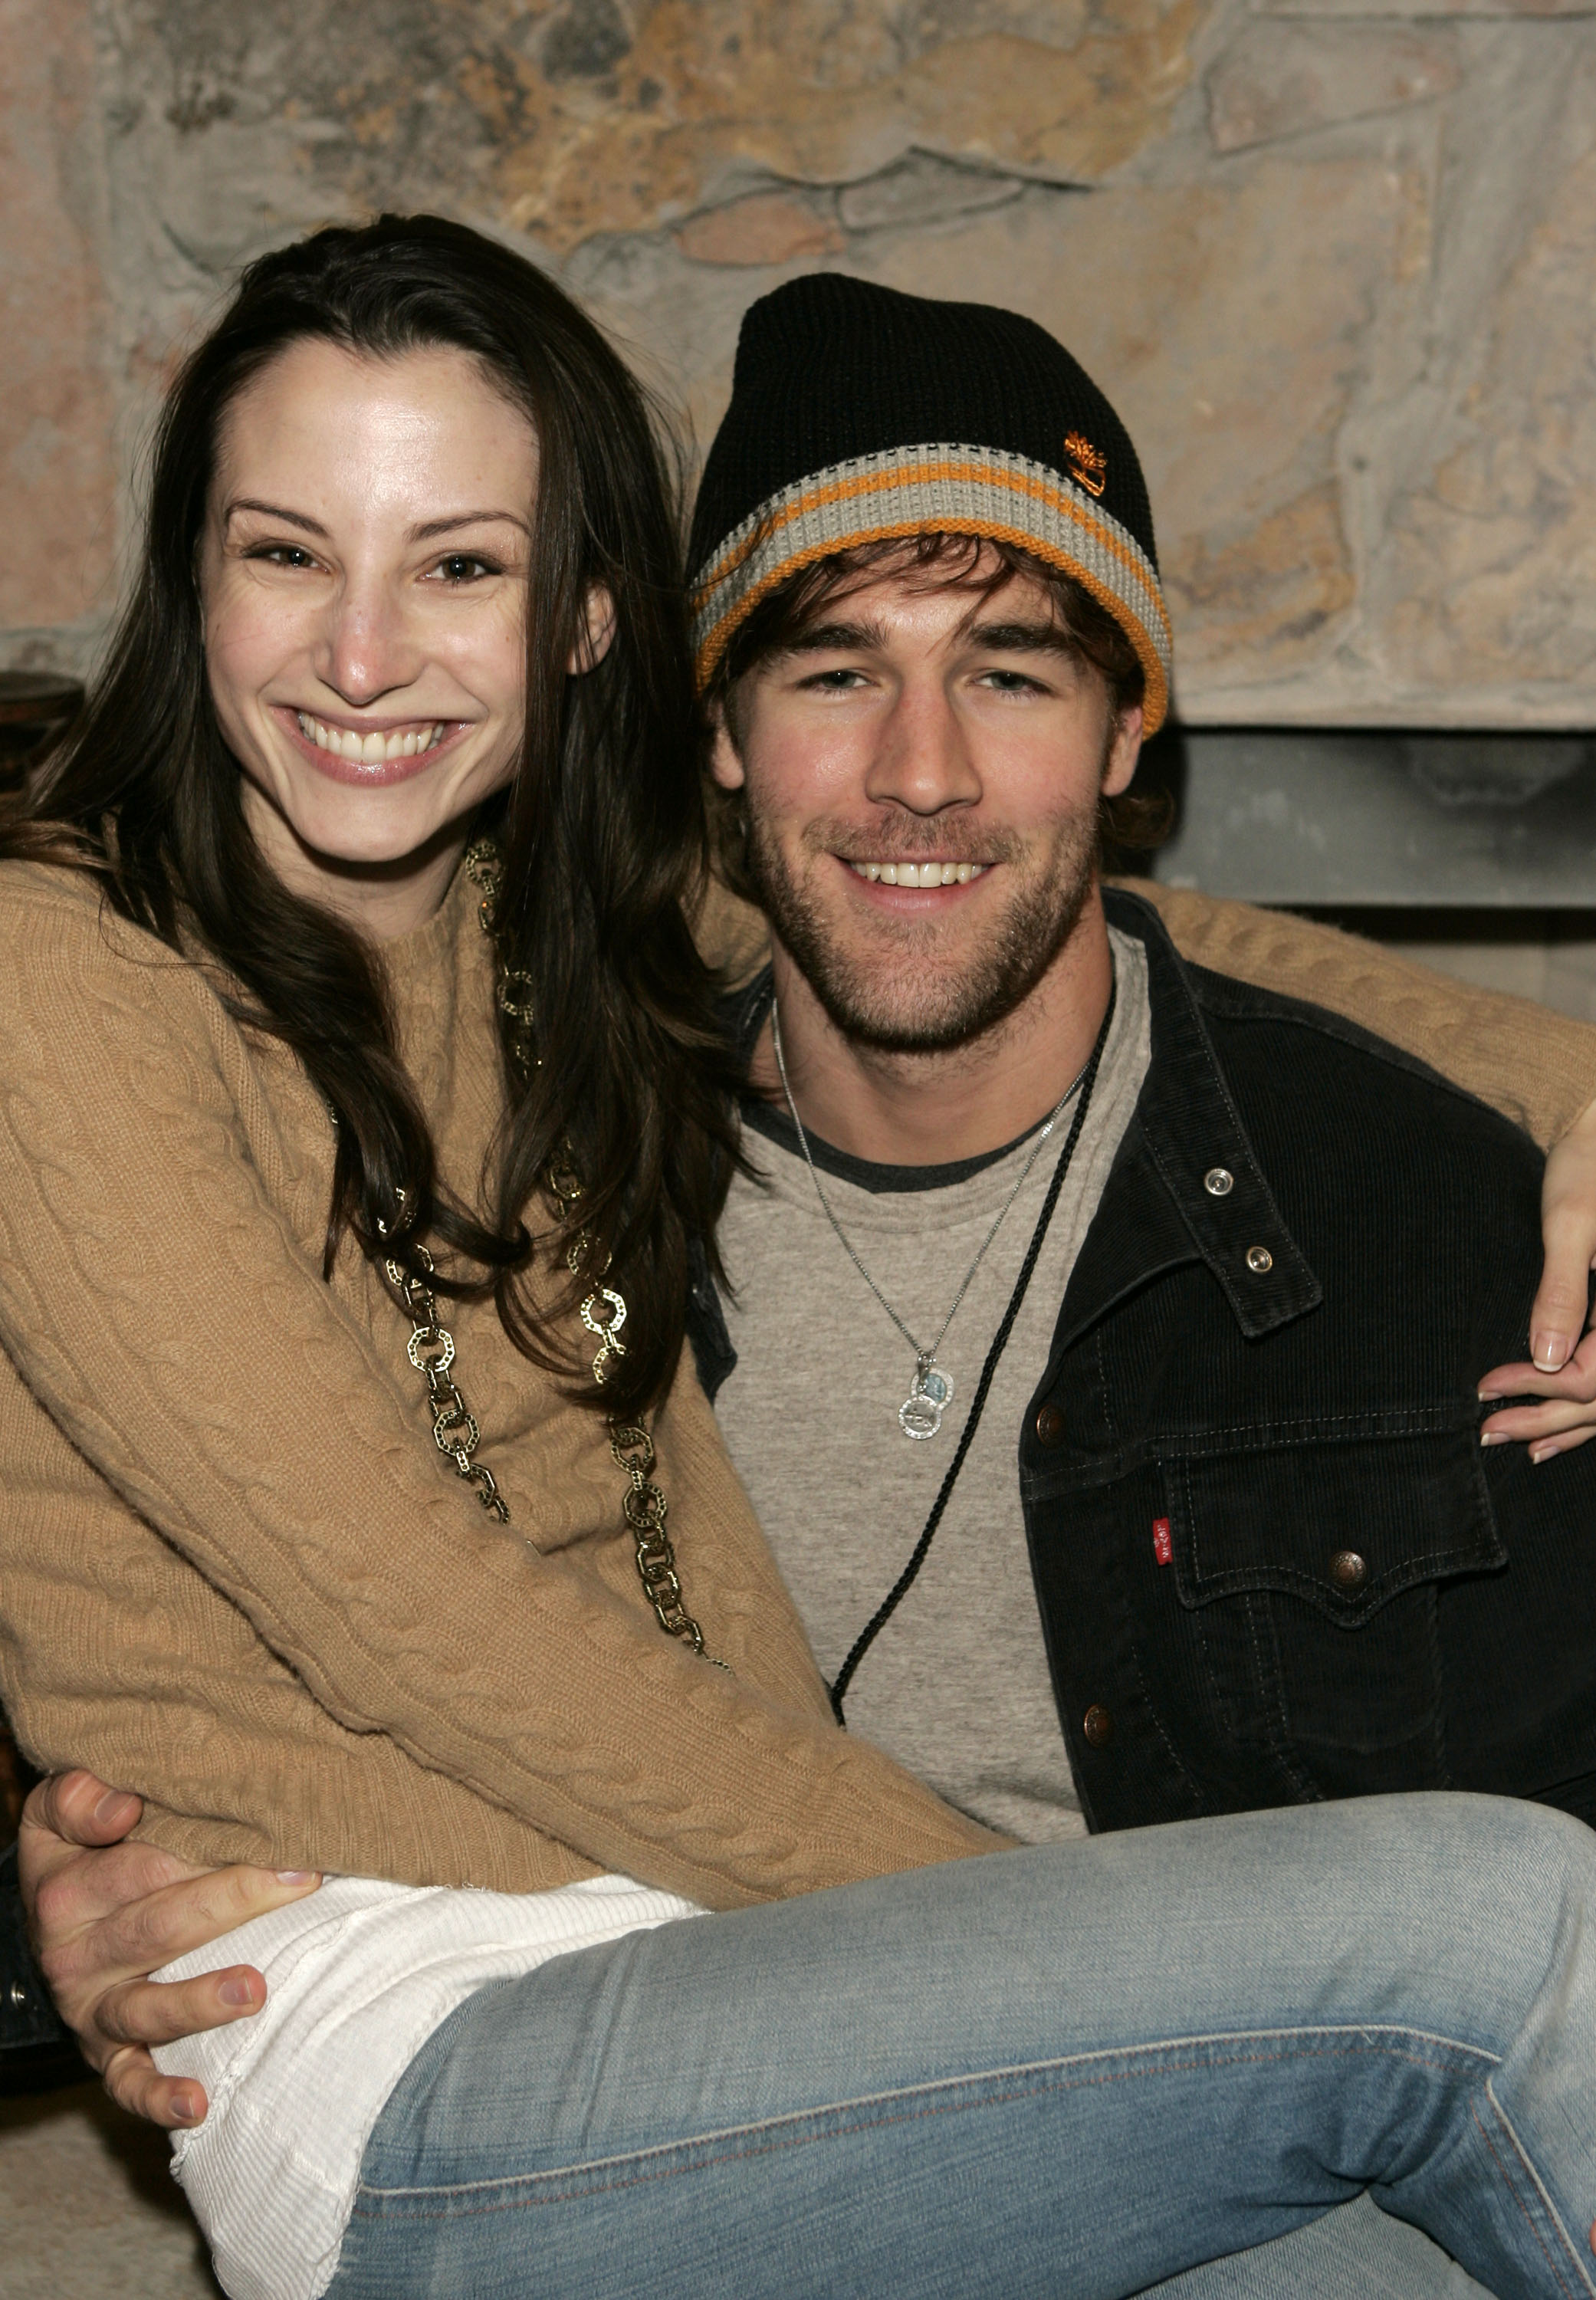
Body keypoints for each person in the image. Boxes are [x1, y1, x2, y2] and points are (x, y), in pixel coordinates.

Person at [7, 240, 1596, 2300]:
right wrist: (1043, 1948)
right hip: (409, 2042)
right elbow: (405, 1621)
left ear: (585, 619)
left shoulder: (542, 917)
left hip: (733, 1998)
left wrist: (1566, 1073)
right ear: (191, 575)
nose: (364, 656)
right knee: (1492, 1929)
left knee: (1403, 2266)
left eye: (460, 566)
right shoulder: (61, 974)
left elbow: (1061, 914)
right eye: (287, 553)